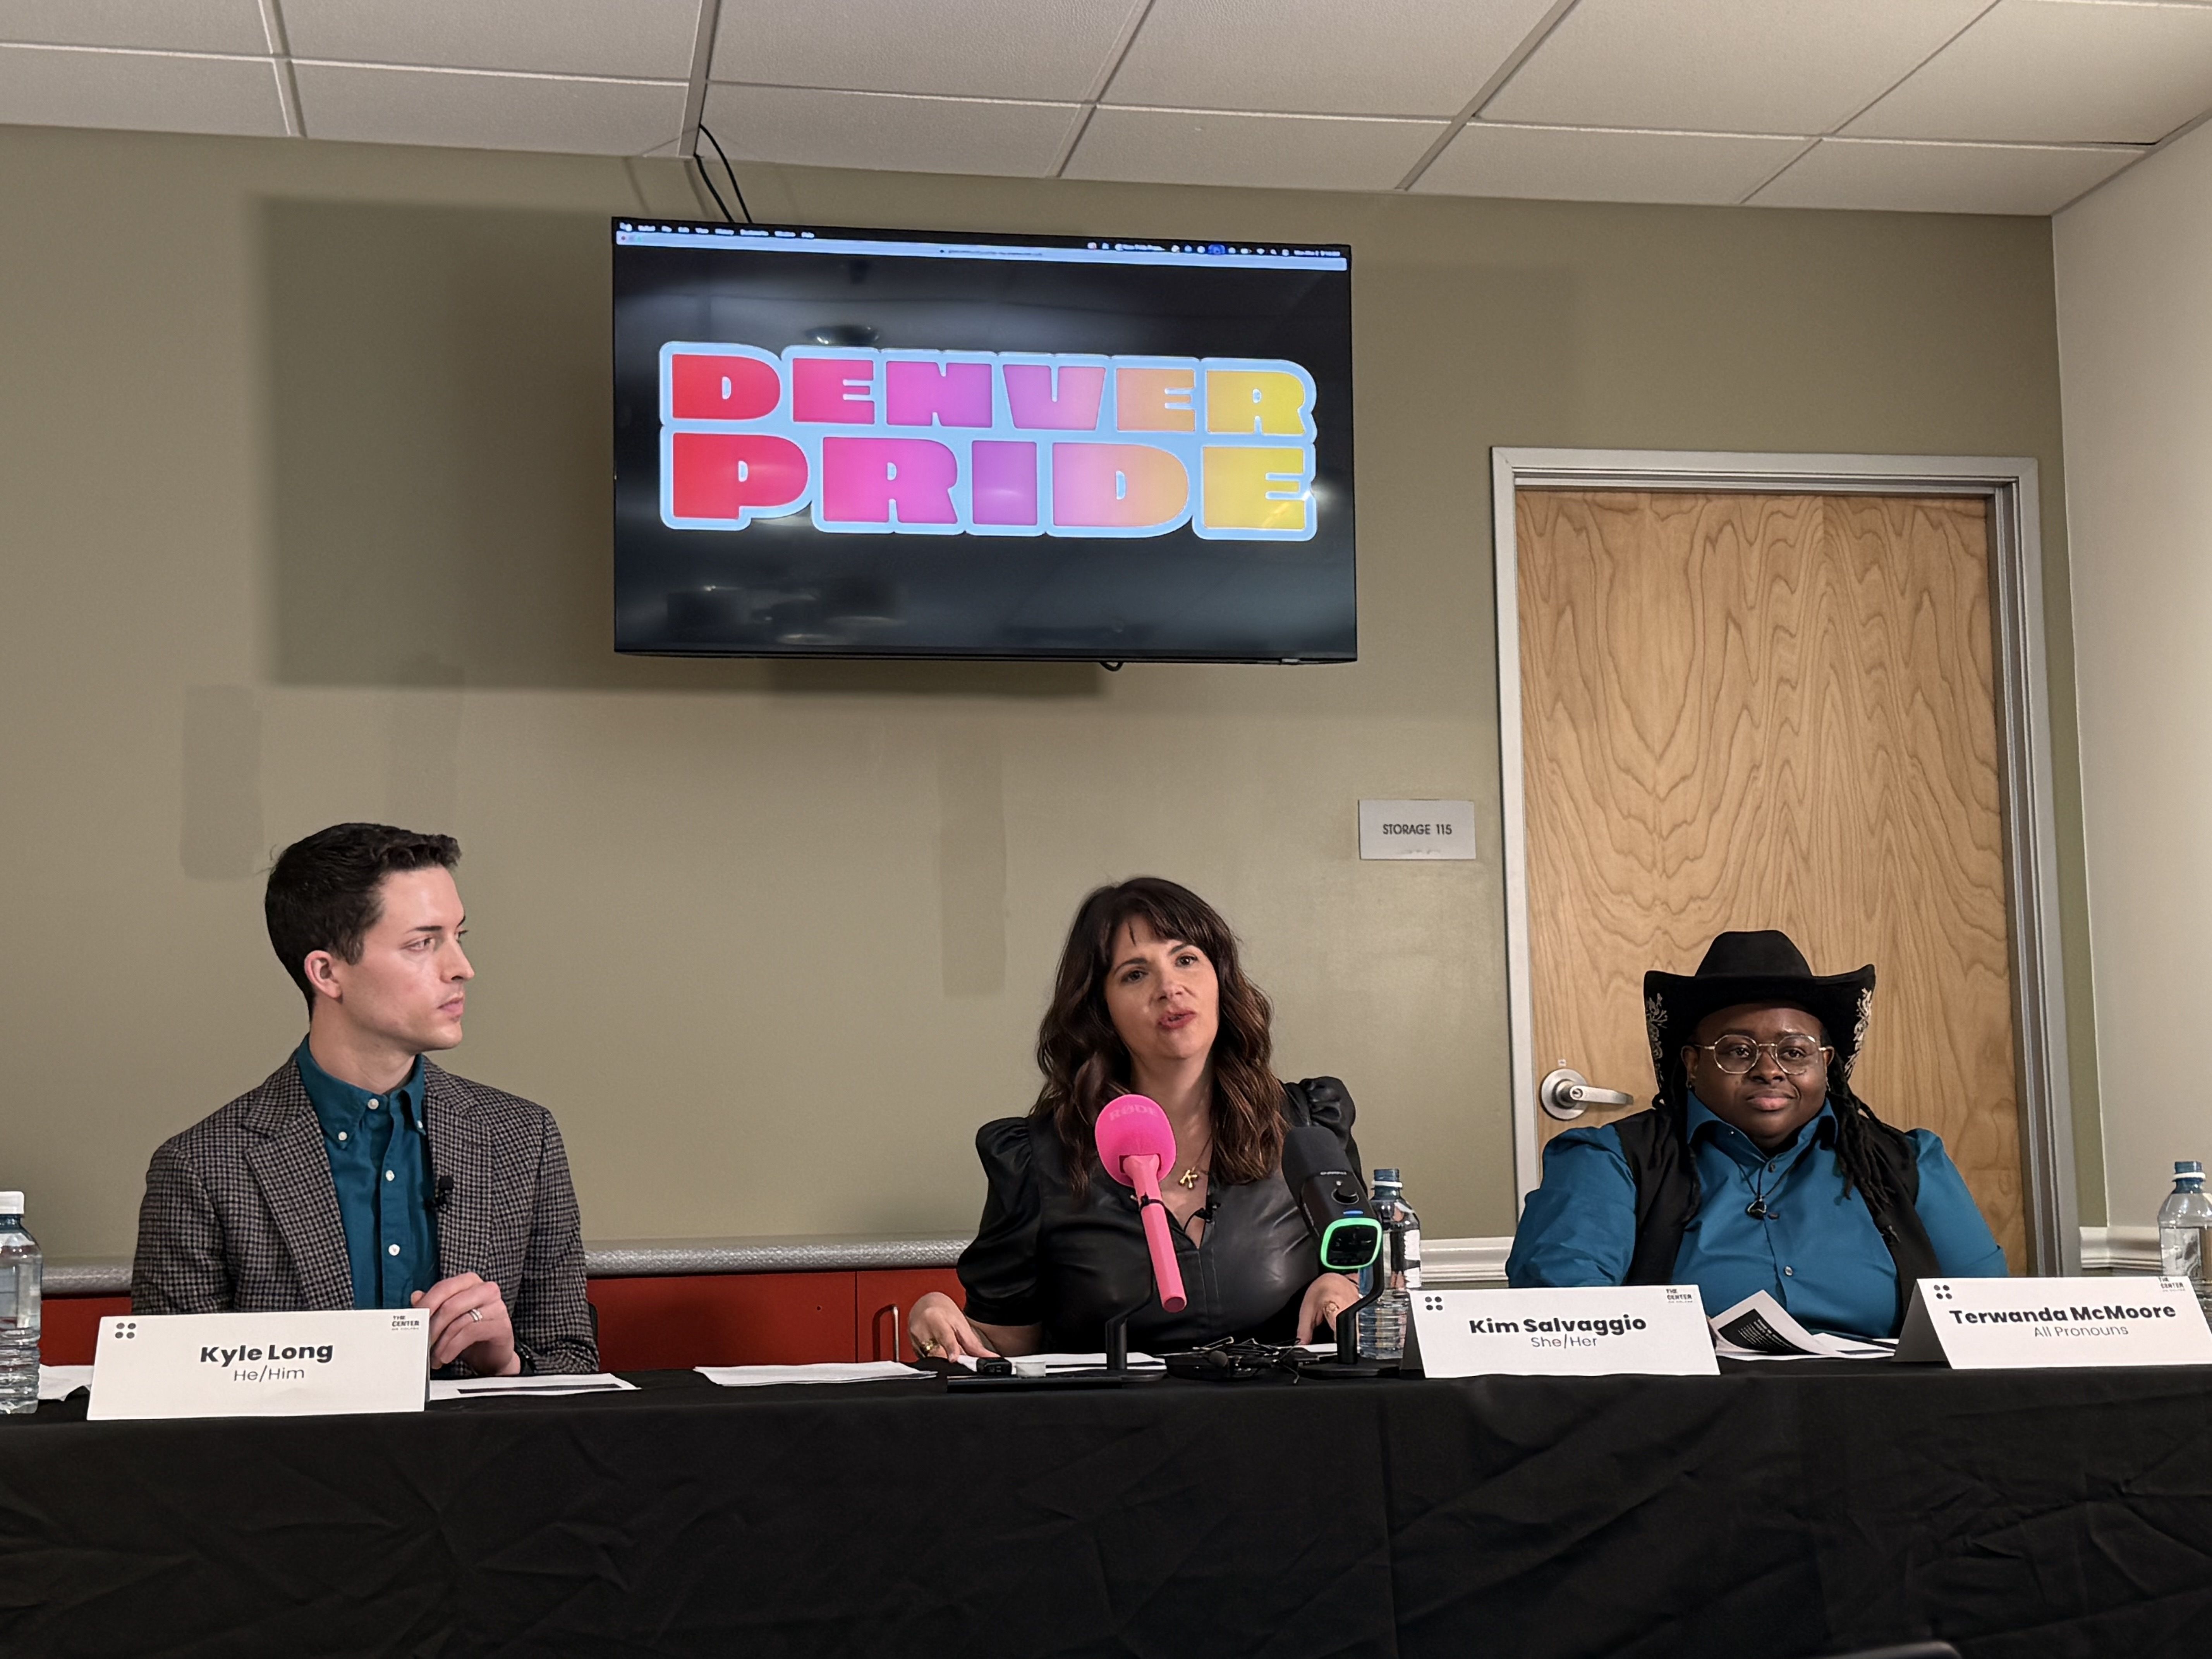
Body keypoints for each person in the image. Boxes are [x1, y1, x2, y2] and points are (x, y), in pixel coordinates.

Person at [132, 823, 596, 1376]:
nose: (461, 968)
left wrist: (509, 1367)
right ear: (327, 973)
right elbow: (175, 1399)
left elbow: (573, 1362)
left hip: (480, 1461)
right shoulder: (202, 1168)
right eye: (423, 944)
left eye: (459, 937)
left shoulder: (523, 1139)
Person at [908, 878, 1365, 1359]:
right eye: (1134, 974)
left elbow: (1360, 1269)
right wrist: (938, 1314)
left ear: (1221, 980)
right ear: (1100, 1009)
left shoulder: (1310, 1128)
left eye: (1186, 959)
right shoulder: (1037, 1161)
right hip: (1109, 1430)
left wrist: (1338, 1284)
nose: (1170, 987)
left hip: (1283, 1423)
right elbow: (1003, 1350)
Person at [1506, 929, 2005, 1338]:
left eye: (1794, 1052)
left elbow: (1990, 1315)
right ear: (1694, 1064)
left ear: (1825, 1066)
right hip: (1681, 1420)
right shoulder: (1610, 1160)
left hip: (1882, 1421)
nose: (1770, 1070)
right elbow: (1563, 1317)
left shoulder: (1908, 1162)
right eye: (1738, 1051)